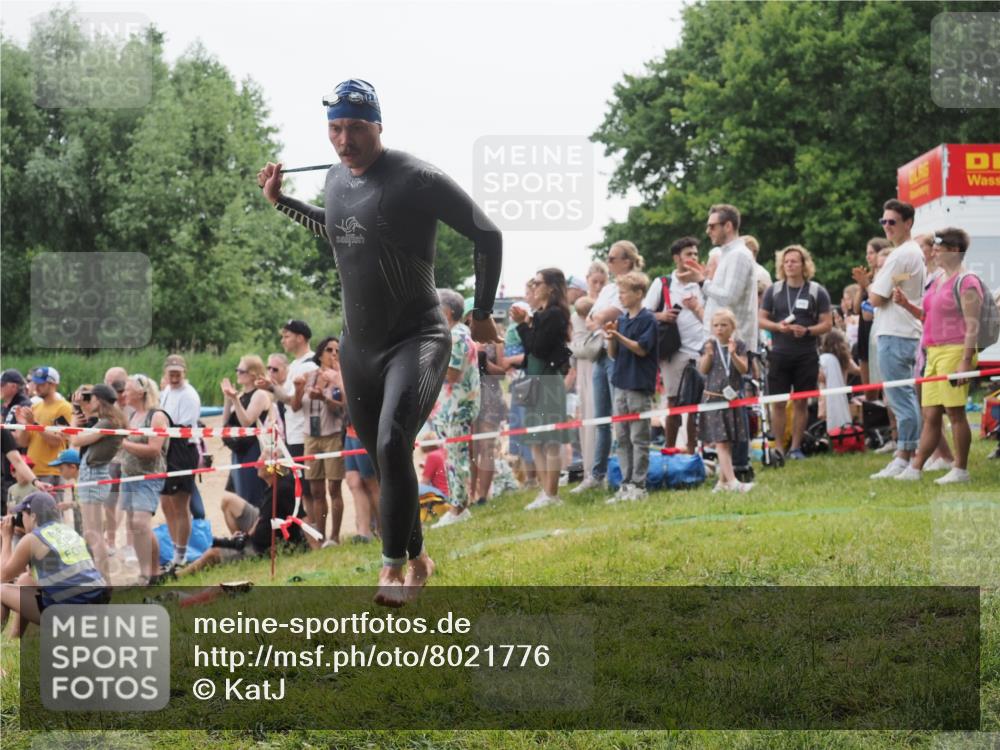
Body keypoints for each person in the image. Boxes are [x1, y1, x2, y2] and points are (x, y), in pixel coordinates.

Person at [258, 78, 501, 605]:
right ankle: (419, 560)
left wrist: (481, 313)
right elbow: (341, 230)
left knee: (393, 443)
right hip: (358, 348)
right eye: (335, 128)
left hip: (417, 337)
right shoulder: (334, 179)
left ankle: (389, 570)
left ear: (378, 126)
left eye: (354, 128)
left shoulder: (416, 177)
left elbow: (488, 233)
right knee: (385, 457)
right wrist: (280, 202)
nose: (344, 139)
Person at [895, 228, 983, 485]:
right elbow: (927, 317)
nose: (933, 251)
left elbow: (973, 325)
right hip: (933, 352)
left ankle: (961, 469)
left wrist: (965, 361)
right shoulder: (937, 280)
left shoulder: (967, 282)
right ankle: (916, 467)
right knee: (930, 415)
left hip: (955, 351)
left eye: (938, 247)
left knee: (955, 413)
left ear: (955, 251)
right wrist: (907, 306)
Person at [575, 242, 643, 493]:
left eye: (613, 257)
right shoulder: (610, 289)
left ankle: (628, 476)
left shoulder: (634, 284)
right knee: (601, 417)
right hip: (600, 355)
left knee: (620, 418)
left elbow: (609, 315)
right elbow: (593, 317)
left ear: (626, 261)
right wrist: (599, 318)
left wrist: (600, 318)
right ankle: (596, 475)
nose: (609, 261)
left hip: (620, 354)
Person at [868, 199, 926, 479]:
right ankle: (908, 455)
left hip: (896, 333)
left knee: (901, 400)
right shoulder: (913, 253)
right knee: (904, 399)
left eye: (892, 222)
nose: (887, 226)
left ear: (908, 223)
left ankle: (906, 457)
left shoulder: (901, 254)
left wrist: (875, 283)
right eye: (884, 222)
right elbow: (891, 286)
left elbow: (876, 297)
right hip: (903, 332)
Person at [758, 245, 833, 460]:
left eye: (794, 261)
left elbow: (827, 324)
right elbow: (761, 319)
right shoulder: (774, 290)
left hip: (806, 354)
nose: (790, 265)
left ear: (804, 265)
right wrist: (777, 327)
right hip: (780, 353)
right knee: (779, 402)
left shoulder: (817, 291)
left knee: (801, 401)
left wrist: (808, 330)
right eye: (786, 261)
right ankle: (779, 447)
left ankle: (796, 447)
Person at [1, 492, 110, 636]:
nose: (21, 519)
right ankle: (14, 639)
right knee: (24, 581)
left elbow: (3, 575)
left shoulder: (32, 539)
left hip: (70, 614)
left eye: (23, 515)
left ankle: (4, 646)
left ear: (33, 516)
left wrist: (7, 537)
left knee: (1, 590)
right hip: (98, 606)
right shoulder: (69, 531)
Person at [512, 269, 573, 510]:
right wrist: (527, 323)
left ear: (551, 287)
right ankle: (544, 490)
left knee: (550, 440)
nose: (534, 287)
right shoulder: (539, 315)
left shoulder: (555, 315)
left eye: (538, 283)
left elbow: (537, 347)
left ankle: (552, 493)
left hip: (548, 380)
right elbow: (530, 352)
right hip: (533, 380)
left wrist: (523, 325)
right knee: (535, 439)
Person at [179, 466, 306, 576]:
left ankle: (177, 576)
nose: (257, 464)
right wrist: (244, 536)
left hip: (264, 547)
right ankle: (237, 547)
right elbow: (263, 517)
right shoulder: (276, 485)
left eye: (262, 460)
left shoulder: (282, 489)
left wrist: (315, 546)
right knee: (228, 501)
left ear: (272, 468)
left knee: (213, 553)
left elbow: (301, 517)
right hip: (261, 534)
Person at [643, 237, 706, 453]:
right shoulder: (663, 283)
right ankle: (670, 450)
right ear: (676, 258)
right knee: (675, 402)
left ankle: (692, 451)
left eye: (696, 254)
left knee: (697, 403)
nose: (693, 258)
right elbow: (643, 314)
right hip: (674, 351)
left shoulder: (703, 283)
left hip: (702, 349)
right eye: (689, 254)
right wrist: (662, 315)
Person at [605, 271, 658, 502]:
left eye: (624, 292)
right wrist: (611, 338)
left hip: (638, 385)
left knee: (639, 437)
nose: (621, 297)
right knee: (622, 438)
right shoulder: (623, 320)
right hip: (620, 383)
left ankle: (639, 484)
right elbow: (613, 354)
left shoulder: (649, 320)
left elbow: (642, 349)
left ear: (639, 293)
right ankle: (625, 484)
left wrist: (619, 336)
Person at [430, 290, 481, 526]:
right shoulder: (452, 334)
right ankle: (457, 506)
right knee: (452, 457)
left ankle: (459, 509)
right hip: (450, 408)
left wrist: (429, 362)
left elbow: (452, 373)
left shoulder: (458, 336)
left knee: (456, 458)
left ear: (447, 312)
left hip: (458, 407)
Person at [679, 205, 759, 355]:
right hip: (720, 343)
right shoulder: (726, 254)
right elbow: (719, 298)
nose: (707, 231)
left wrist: (702, 281)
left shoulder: (738, 255)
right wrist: (705, 278)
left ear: (728, 226)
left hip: (732, 346)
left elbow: (729, 298)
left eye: (712, 226)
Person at [68, 383, 125, 582]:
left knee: (94, 534)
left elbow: (77, 441)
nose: (87, 401)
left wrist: (74, 422)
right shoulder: (110, 420)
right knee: (92, 533)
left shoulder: (108, 423)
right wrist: (78, 408)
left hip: (93, 475)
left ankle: (104, 581)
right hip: (94, 474)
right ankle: (102, 579)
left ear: (99, 400)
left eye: (90, 398)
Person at [296, 336, 346, 547]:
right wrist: (298, 389)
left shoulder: (340, 377)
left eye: (337, 350)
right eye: (329, 349)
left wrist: (324, 398)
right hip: (311, 437)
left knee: (334, 488)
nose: (333, 353)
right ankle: (321, 536)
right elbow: (295, 406)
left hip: (332, 435)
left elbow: (342, 408)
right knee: (316, 491)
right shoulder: (308, 376)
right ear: (320, 353)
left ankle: (334, 537)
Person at [118, 374, 168, 584]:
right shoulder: (131, 416)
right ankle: (143, 572)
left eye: (128, 390)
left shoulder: (156, 416)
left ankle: (155, 572)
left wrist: (124, 444)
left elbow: (154, 449)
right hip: (129, 476)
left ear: (141, 392)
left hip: (149, 476)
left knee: (141, 523)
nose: (124, 394)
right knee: (133, 525)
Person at [699, 309, 753, 493]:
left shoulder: (739, 345)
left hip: (733, 399)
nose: (719, 329)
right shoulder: (709, 346)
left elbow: (744, 369)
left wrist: (733, 355)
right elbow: (703, 370)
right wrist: (708, 356)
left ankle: (722, 483)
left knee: (728, 441)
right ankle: (733, 482)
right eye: (716, 325)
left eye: (724, 325)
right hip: (714, 400)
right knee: (721, 442)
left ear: (732, 327)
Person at [158, 354, 202, 574]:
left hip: (182, 448)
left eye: (178, 373)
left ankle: (181, 555)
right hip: (167, 447)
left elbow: (180, 428)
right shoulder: (166, 391)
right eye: (171, 373)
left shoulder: (189, 395)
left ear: (184, 373)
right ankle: (175, 550)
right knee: (166, 502)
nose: (174, 377)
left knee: (180, 504)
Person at [271, 321, 318, 505]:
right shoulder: (294, 364)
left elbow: (293, 402)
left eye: (286, 336)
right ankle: (310, 530)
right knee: (302, 489)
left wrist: (271, 388)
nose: (283, 340)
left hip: (302, 433)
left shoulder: (310, 365)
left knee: (308, 490)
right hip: (292, 433)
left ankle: (314, 531)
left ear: (300, 338)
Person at [467, 298, 506, 507]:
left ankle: (483, 496)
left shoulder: (495, 339)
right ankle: (470, 494)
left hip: (490, 397)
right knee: (471, 448)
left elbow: (503, 371)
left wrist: (483, 361)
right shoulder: (463, 339)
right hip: (469, 397)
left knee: (487, 447)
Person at [221, 356, 272, 508]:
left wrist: (235, 400)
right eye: (237, 370)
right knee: (238, 494)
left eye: (241, 371)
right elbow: (225, 423)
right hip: (239, 450)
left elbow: (246, 422)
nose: (237, 373)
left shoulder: (260, 395)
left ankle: (255, 528)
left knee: (252, 494)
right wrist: (228, 398)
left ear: (253, 374)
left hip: (253, 449)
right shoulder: (241, 395)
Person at [14, 367, 73, 488]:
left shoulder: (64, 407)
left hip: (51, 472)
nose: (36, 387)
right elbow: (23, 443)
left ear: (52, 384)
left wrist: (34, 424)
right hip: (32, 472)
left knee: (50, 507)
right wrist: (25, 425)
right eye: (35, 383)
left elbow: (57, 440)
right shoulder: (35, 407)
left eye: (41, 384)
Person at [818, 330, 860, 430]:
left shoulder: (823, 359)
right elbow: (858, 371)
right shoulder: (844, 359)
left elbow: (821, 377)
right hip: (840, 395)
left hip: (825, 395)